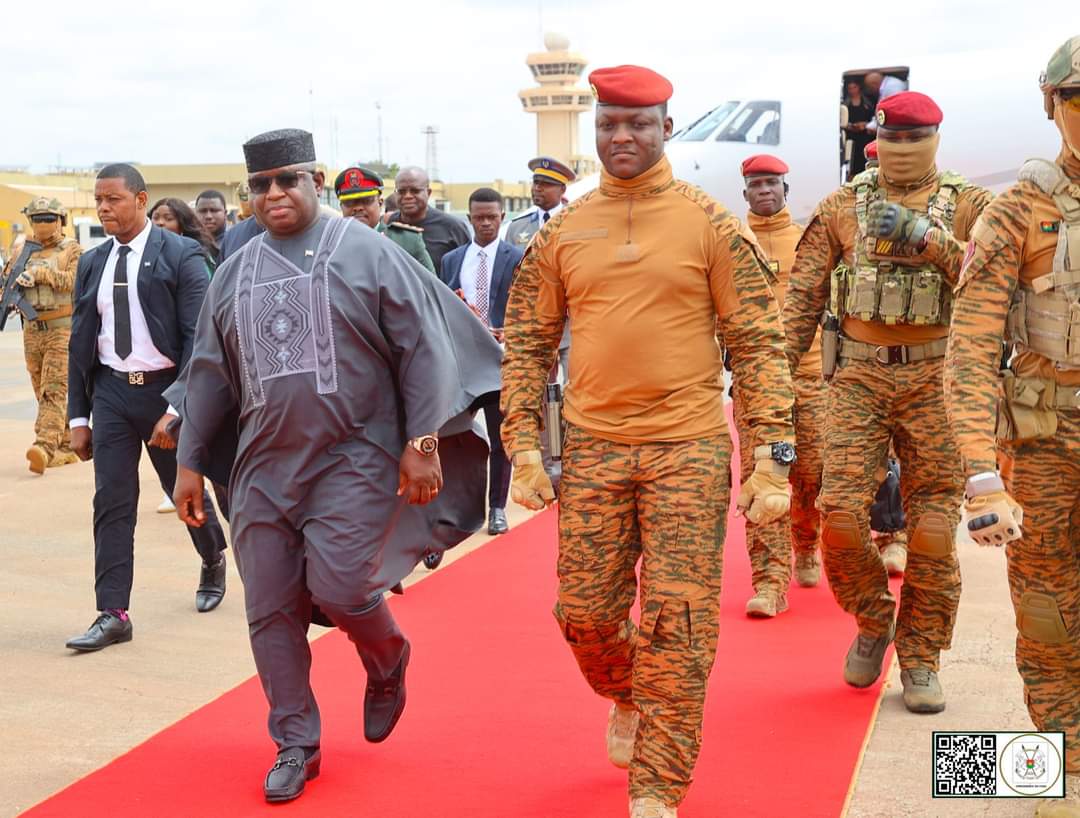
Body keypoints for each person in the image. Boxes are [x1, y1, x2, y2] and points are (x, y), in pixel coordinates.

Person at [170, 129, 502, 804]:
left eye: (286, 179)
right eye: (259, 185)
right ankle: (297, 742)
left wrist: (425, 443)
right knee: (268, 608)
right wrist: (188, 463)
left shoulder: (367, 250)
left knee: (344, 585)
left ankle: (387, 659)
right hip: (262, 467)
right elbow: (207, 372)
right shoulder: (234, 269)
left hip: (354, 457)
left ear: (314, 179)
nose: (273, 194)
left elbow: (425, 350)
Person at [501, 65, 795, 818]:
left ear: (668, 127)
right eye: (608, 125)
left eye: (638, 124)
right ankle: (629, 692)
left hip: (688, 449)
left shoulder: (708, 222)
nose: (620, 137)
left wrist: (771, 458)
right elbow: (528, 342)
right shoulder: (565, 229)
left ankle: (658, 786)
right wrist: (524, 446)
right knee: (585, 615)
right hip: (596, 450)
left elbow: (759, 345)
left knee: (679, 618)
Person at [782, 91, 993, 713]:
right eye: (892, 138)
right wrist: (767, 376)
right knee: (842, 517)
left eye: (915, 137)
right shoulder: (843, 205)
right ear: (876, 137)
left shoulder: (970, 205)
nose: (902, 149)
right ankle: (874, 618)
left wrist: (931, 239)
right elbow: (800, 301)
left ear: (935, 137)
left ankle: (921, 656)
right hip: (858, 379)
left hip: (937, 380)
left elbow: (989, 283)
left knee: (930, 530)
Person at [943, 36, 1080, 816]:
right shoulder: (1018, 210)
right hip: (1044, 437)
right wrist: (980, 472)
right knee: (1047, 610)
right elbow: (969, 349)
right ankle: (1054, 768)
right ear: (1051, 103)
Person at [64, 163, 229, 652]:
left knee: (182, 494)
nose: (103, 208)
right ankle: (113, 612)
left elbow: (201, 340)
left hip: (165, 393)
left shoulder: (181, 254)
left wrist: (178, 406)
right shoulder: (93, 262)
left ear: (140, 199)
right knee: (111, 502)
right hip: (112, 394)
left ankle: (212, 557)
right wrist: (79, 416)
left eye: (112, 199)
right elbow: (80, 343)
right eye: (98, 200)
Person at [737, 154, 825, 603]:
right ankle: (769, 583)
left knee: (810, 475)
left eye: (772, 183)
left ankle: (806, 544)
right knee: (762, 478)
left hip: (809, 379)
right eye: (756, 184)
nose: (765, 191)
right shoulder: (734, 243)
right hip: (755, 385)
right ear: (746, 193)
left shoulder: (807, 242)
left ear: (786, 190)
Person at [441, 188, 524, 536]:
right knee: (450, 439)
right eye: (479, 217)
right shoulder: (453, 260)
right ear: (470, 218)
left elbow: (527, 305)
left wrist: (510, 331)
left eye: (492, 216)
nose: (486, 223)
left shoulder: (516, 257)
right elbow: (442, 305)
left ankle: (497, 509)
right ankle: (444, 517)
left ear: (502, 217)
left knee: (499, 437)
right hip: (460, 363)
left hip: (500, 362)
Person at [1, 196, 82, 474]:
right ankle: (67, 443)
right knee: (39, 386)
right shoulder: (22, 251)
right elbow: (7, 281)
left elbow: (73, 282)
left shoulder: (72, 249)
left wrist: (40, 274)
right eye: (37, 219)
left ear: (61, 220)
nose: (43, 224)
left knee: (54, 389)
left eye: (49, 218)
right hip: (31, 329)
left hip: (61, 328)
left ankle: (44, 446)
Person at [333, 166, 436, 273]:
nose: (358, 207)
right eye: (349, 202)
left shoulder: (408, 241)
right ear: (341, 206)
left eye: (366, 200)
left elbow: (432, 287)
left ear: (380, 203)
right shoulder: (331, 244)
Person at [392, 166, 470, 272]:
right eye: (401, 191)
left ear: (428, 193)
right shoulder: (389, 224)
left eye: (415, 191)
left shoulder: (453, 227)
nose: (407, 196)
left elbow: (468, 267)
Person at [504, 156, 576, 247]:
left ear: (562, 189)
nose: (537, 188)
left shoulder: (576, 223)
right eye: (535, 182)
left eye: (546, 184)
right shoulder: (516, 228)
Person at [150, 198, 219, 272]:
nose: (160, 222)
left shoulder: (195, 254)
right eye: (156, 218)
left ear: (182, 225)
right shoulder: (145, 250)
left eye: (168, 218)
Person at [843, 79, 875, 180]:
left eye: (854, 87)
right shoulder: (845, 104)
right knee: (853, 159)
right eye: (850, 88)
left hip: (865, 136)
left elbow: (874, 118)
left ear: (859, 88)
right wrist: (850, 126)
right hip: (852, 136)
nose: (852, 90)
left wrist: (865, 124)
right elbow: (842, 120)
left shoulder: (867, 102)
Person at [194, 190, 228, 262]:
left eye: (214, 210)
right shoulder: (189, 244)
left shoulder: (235, 241)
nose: (208, 216)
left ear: (225, 214)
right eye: (203, 211)